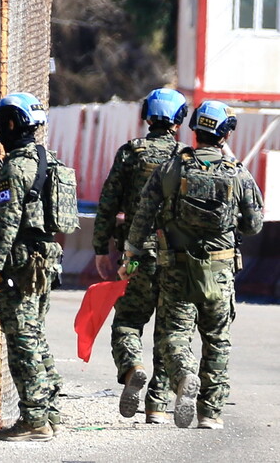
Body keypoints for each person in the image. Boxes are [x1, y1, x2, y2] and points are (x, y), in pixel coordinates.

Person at [121, 100, 264, 430]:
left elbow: (143, 215)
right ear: (226, 134)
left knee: (174, 336)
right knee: (217, 340)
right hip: (220, 273)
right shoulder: (238, 173)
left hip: (177, 269)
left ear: (195, 130)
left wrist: (131, 255)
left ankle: (184, 373)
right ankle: (210, 413)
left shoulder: (172, 168)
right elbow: (254, 225)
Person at [0, 92, 67, 442]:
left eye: (3, 123)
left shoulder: (14, 169)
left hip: (20, 265)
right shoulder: (47, 161)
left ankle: (34, 419)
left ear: (12, 124)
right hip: (43, 261)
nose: (1, 130)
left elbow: (5, 226)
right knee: (35, 335)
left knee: (22, 340)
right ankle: (50, 411)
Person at [92, 88, 188, 424]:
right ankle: (157, 406)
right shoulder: (185, 157)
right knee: (168, 329)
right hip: (177, 256)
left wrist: (100, 248)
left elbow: (108, 203)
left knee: (128, 321)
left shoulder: (130, 153)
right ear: (179, 120)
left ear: (147, 115)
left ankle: (133, 366)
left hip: (135, 255)